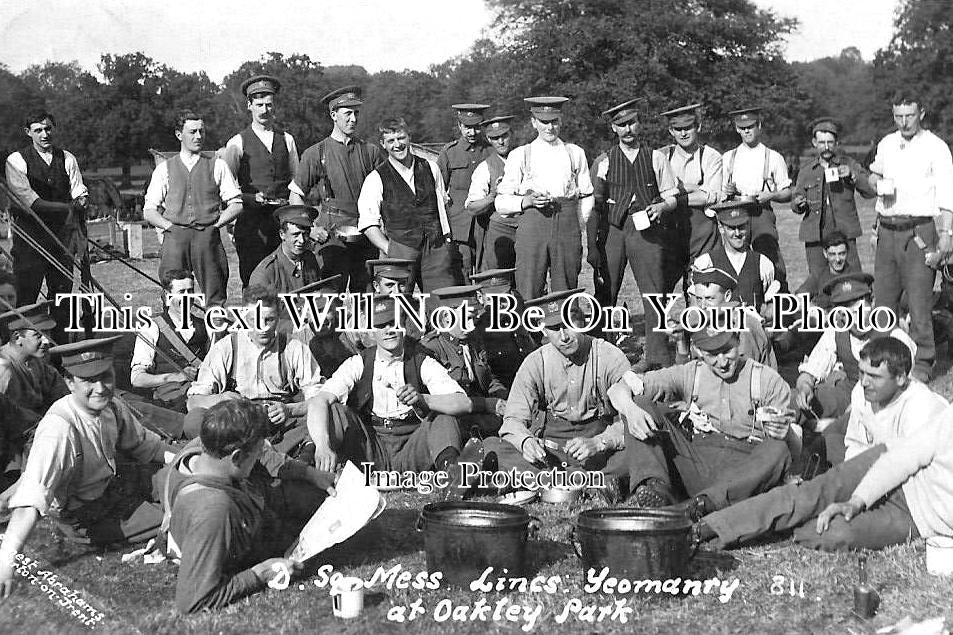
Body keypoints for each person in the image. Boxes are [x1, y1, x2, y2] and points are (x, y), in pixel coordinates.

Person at [695, 337, 950, 551]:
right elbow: (887, 458)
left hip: (915, 509)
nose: (864, 382)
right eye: (862, 373)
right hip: (881, 469)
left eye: (875, 376)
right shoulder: (870, 396)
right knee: (808, 495)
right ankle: (712, 527)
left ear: (902, 378)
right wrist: (855, 496)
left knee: (825, 533)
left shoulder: (925, 409)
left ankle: (780, 521)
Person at [0, 336, 177, 598]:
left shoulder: (111, 406)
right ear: (70, 382)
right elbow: (30, 500)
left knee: (180, 480)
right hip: (86, 513)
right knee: (172, 520)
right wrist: (5, 562)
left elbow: (145, 447)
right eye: (87, 380)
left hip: (115, 483)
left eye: (105, 376)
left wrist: (184, 461)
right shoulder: (58, 428)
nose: (100, 388)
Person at [161, 399, 335, 613]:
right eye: (254, 453)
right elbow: (193, 601)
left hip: (247, 513)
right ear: (237, 457)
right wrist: (260, 573)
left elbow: (268, 457)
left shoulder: (208, 447)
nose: (258, 457)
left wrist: (310, 473)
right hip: (232, 530)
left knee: (312, 497)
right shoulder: (213, 508)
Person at [614, 329, 794, 519]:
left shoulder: (766, 380)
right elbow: (619, 388)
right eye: (712, 355)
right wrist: (631, 410)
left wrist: (784, 432)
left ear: (738, 341)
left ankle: (700, 506)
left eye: (727, 351)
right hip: (697, 463)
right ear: (698, 350)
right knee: (639, 403)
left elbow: (791, 446)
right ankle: (657, 492)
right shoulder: (691, 373)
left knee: (778, 449)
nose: (722, 362)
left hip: (744, 471)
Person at [308, 295, 470, 473]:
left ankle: (450, 474)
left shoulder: (421, 361)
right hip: (371, 448)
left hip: (412, 445)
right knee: (336, 411)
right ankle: (321, 471)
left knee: (443, 416)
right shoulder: (359, 363)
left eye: (393, 323)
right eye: (380, 325)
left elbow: (464, 403)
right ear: (372, 331)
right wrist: (322, 446)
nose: (388, 330)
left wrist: (423, 399)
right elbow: (319, 401)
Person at [482, 289, 633, 480]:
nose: (563, 336)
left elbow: (632, 417)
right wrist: (526, 442)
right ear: (543, 330)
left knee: (644, 446)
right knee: (491, 446)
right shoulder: (536, 362)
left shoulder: (609, 356)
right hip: (551, 452)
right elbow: (513, 419)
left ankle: (554, 479)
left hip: (599, 450)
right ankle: (590, 480)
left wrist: (600, 442)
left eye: (569, 324)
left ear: (582, 320)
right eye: (554, 328)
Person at [866, 92, 953, 382]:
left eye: (910, 115)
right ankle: (881, 359)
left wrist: (945, 236)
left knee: (919, 302)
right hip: (887, 230)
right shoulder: (887, 143)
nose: (904, 122)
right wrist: (875, 181)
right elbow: (871, 178)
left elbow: (947, 197)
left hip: (919, 231)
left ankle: (924, 363)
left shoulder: (936, 148)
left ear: (922, 113)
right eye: (898, 116)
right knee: (883, 301)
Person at [588, 98, 680, 368]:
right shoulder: (603, 161)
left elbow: (671, 195)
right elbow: (594, 206)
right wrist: (594, 246)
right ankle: (599, 354)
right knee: (607, 290)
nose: (627, 129)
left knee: (654, 291)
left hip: (647, 229)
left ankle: (657, 356)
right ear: (613, 128)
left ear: (639, 123)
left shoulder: (656, 157)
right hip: (614, 229)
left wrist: (661, 207)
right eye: (621, 124)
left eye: (631, 122)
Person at [185, 287, 323, 454]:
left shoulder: (294, 348)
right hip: (237, 424)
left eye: (269, 320)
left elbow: (318, 399)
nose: (262, 328)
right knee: (194, 420)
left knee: (326, 417)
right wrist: (221, 398)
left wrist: (290, 410)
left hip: (280, 421)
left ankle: (264, 456)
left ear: (279, 317)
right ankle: (270, 455)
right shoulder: (226, 347)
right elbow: (193, 402)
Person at [495, 97, 594, 301]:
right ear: (534, 123)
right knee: (529, 283)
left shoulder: (575, 153)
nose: (550, 127)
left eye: (554, 121)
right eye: (544, 122)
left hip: (567, 224)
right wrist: (526, 202)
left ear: (561, 120)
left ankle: (564, 330)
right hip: (533, 225)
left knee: (566, 286)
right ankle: (531, 332)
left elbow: (586, 194)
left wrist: (578, 224)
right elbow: (501, 202)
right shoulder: (520, 154)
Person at [143, 110, 243, 307]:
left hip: (207, 239)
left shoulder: (217, 165)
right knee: (174, 297)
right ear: (179, 135)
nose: (198, 136)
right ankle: (177, 337)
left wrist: (216, 224)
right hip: (175, 240)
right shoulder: (164, 168)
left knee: (215, 297)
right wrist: (169, 227)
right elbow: (149, 210)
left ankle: (216, 338)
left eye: (202, 131)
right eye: (192, 132)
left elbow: (236, 204)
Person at [291, 86, 384, 292]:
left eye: (356, 113)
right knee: (331, 295)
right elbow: (296, 194)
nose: (353, 119)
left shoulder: (370, 152)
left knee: (367, 293)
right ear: (333, 115)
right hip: (331, 236)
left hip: (365, 232)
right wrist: (310, 229)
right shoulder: (316, 153)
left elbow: (386, 193)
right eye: (347, 113)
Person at [358, 117, 462, 292]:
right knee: (400, 304)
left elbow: (442, 207)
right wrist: (389, 248)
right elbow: (368, 223)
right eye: (390, 141)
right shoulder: (376, 178)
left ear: (409, 137)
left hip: (435, 247)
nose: (397, 145)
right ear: (383, 144)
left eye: (401, 138)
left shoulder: (431, 167)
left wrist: (447, 240)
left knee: (442, 302)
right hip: (401, 249)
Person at [4, 111, 88, 324]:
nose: (44, 134)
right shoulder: (16, 161)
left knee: (63, 296)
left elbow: (79, 191)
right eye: (38, 130)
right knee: (27, 296)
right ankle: (25, 348)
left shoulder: (67, 158)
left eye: (48, 129)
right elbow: (32, 203)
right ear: (28, 132)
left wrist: (81, 202)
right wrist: (69, 208)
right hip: (30, 241)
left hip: (62, 240)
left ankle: (61, 351)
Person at [223, 75, 300, 287]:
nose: (265, 110)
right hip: (251, 224)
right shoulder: (237, 142)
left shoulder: (287, 139)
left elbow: (297, 182)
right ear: (249, 106)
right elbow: (226, 188)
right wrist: (249, 198)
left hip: (281, 222)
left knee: (285, 280)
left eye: (269, 104)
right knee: (254, 280)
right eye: (259, 105)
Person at [420, 285, 508, 437]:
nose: (472, 325)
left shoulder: (473, 339)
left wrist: (503, 397)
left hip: (485, 413)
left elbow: (488, 378)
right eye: (467, 319)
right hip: (456, 423)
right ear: (446, 317)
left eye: (473, 319)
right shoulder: (431, 348)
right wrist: (491, 405)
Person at [791, 118, 874, 278]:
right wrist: (798, 203)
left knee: (853, 277)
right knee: (818, 278)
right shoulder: (807, 170)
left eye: (830, 142)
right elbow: (795, 203)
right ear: (814, 143)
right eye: (822, 142)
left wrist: (853, 175)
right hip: (816, 233)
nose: (826, 147)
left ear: (837, 143)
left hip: (845, 231)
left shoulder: (849, 164)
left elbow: (870, 191)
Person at [722, 107, 793, 290]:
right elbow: (721, 193)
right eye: (742, 127)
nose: (747, 131)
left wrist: (772, 194)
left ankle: (780, 304)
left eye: (751, 126)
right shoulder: (729, 157)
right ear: (737, 129)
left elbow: (787, 192)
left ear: (759, 126)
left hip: (762, 213)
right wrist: (728, 190)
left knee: (770, 259)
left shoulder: (773, 157)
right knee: (738, 259)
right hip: (737, 212)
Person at [130, 269, 209, 413]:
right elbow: (137, 379)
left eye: (190, 291)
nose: (187, 297)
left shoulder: (205, 326)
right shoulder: (152, 328)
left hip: (202, 393)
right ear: (167, 296)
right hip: (170, 401)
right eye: (181, 292)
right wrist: (175, 377)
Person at [0, 302, 67, 470]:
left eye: (48, 333)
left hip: (35, 439)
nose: (46, 341)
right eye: (39, 335)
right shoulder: (4, 369)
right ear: (17, 338)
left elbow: (63, 398)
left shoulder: (37, 364)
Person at [659, 104, 723, 263]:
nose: (683, 133)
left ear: (698, 127)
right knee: (662, 283)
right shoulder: (661, 156)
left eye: (688, 128)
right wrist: (690, 188)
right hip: (669, 229)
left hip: (702, 232)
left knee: (703, 281)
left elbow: (710, 197)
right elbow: (657, 193)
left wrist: (674, 195)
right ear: (671, 131)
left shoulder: (711, 156)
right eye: (678, 129)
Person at [437, 104, 493, 277]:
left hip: (487, 222)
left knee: (487, 269)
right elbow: (438, 189)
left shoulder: (491, 151)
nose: (472, 132)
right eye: (467, 127)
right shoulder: (449, 152)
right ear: (460, 126)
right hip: (459, 225)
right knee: (462, 270)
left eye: (477, 127)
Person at [693, 198, 775, 312]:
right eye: (731, 228)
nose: (737, 233)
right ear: (721, 228)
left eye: (741, 227)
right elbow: (696, 309)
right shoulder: (705, 263)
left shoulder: (763, 263)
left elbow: (769, 308)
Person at [685, 267, 776, 368]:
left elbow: (742, 373)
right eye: (698, 299)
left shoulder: (744, 326)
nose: (702, 306)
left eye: (709, 299)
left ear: (727, 296)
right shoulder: (704, 323)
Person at [468, 267, 539, 387]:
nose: (500, 304)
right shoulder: (476, 330)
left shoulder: (522, 319)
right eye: (493, 299)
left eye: (504, 298)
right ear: (480, 298)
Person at [465, 115, 518, 271]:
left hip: (528, 230)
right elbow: (471, 207)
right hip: (500, 233)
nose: (500, 142)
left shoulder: (527, 158)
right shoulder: (485, 168)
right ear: (488, 139)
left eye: (504, 136)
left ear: (512, 134)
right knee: (498, 281)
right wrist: (492, 195)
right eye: (495, 138)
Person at [248, 205, 322, 292]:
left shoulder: (310, 259)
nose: (301, 240)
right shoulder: (266, 273)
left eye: (305, 234)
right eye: (295, 234)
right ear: (282, 234)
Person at [793, 231, 859, 309]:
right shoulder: (818, 276)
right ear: (825, 253)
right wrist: (816, 311)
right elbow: (798, 298)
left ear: (847, 252)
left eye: (841, 254)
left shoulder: (856, 276)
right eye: (832, 254)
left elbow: (866, 303)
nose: (837, 259)